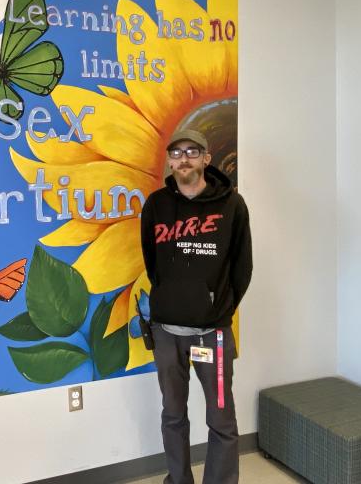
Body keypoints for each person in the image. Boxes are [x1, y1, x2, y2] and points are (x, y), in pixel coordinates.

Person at [140, 128, 253, 484]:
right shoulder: (156, 205)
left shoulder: (232, 205)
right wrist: (172, 298)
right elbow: (152, 262)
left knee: (222, 421)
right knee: (173, 416)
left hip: (212, 335)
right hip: (167, 334)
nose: (184, 158)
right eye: (177, 152)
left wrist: (216, 307)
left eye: (192, 151)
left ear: (206, 158)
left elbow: (242, 267)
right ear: (170, 161)